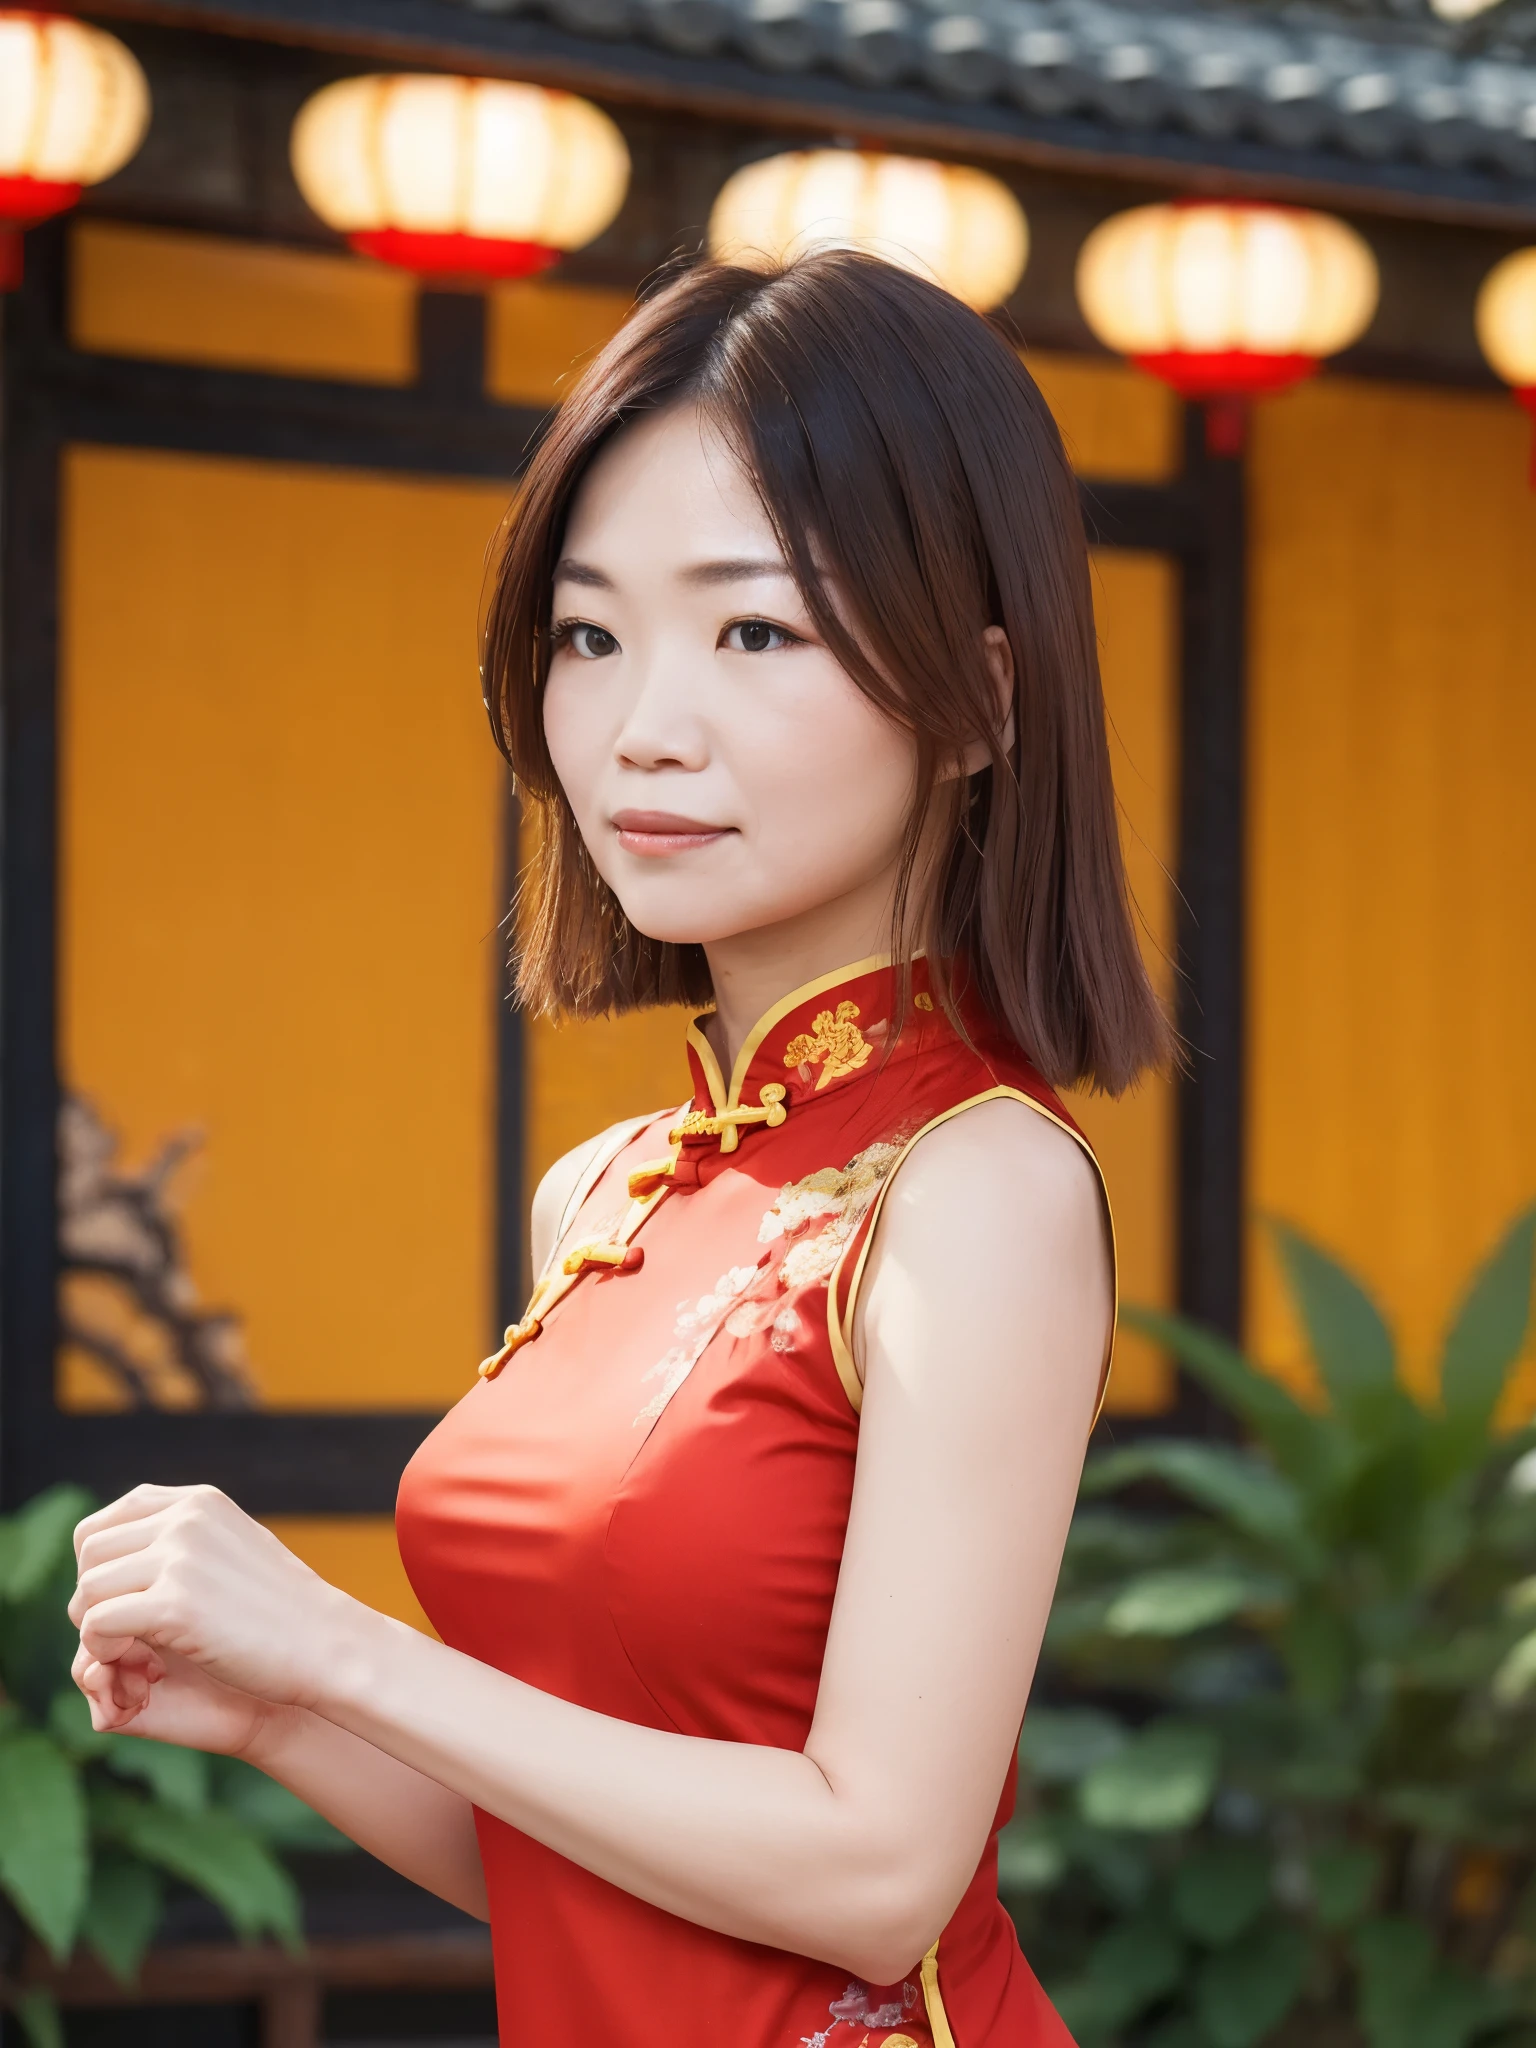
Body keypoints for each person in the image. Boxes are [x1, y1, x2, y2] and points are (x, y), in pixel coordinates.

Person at [70, 249, 1169, 2048]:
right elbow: (588, 1849)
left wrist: (343, 1646)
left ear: (976, 701)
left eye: (754, 631)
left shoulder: (979, 1188)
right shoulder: (600, 1197)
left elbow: (877, 1873)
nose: (643, 725)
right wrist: (280, 1708)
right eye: (591, 634)